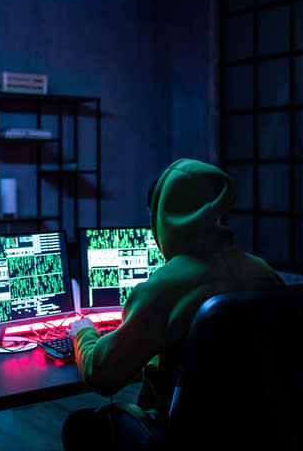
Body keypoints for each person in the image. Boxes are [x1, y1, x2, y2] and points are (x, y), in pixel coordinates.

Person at [61, 158, 285, 450]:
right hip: (263, 431)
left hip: (185, 436)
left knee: (80, 427)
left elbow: (102, 376)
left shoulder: (163, 286)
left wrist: (84, 332)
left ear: (163, 217)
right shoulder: (265, 273)